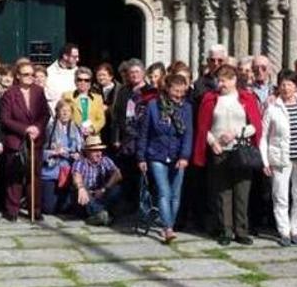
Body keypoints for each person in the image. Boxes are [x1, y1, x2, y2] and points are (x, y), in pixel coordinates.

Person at [193, 65, 263, 246]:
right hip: (219, 152)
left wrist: (236, 133)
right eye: (219, 80)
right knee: (223, 192)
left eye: (224, 80)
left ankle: (241, 230)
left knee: (242, 192)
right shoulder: (210, 99)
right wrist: (213, 143)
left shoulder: (246, 98)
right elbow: (203, 128)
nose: (221, 83)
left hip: (241, 151)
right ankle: (226, 230)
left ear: (233, 80)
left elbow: (255, 126)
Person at [138, 74, 194, 243]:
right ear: (167, 89)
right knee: (164, 192)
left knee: (175, 195)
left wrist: (185, 156)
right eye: (176, 91)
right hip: (157, 154)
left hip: (177, 155)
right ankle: (167, 228)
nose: (179, 95)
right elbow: (144, 133)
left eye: (182, 92)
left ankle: (169, 223)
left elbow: (188, 135)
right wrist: (141, 157)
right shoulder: (154, 106)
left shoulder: (186, 108)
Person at [260, 69, 297, 247]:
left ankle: (295, 229)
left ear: (296, 86)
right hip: (280, 157)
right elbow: (263, 137)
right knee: (280, 196)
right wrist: (265, 161)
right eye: (283, 84)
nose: (286, 88)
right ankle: (283, 231)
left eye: (290, 84)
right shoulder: (272, 108)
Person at [0, 61, 51, 221]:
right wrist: (25, 129)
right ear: (18, 76)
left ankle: (34, 209)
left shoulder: (39, 91)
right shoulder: (10, 94)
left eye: (32, 75)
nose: (30, 77)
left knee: (34, 175)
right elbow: (5, 119)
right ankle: (12, 210)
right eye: (26, 74)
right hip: (16, 140)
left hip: (35, 140)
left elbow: (45, 114)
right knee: (15, 175)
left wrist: (37, 128)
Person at [110, 59, 153, 208]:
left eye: (137, 72)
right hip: (126, 139)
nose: (134, 75)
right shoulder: (123, 91)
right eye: (131, 72)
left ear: (143, 73)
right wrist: (116, 138)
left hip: (143, 137)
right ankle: (129, 204)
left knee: (142, 174)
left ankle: (142, 205)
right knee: (126, 172)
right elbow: (116, 115)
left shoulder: (151, 92)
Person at [41, 99, 83, 215]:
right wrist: (52, 153)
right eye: (62, 110)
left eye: (68, 111)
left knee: (66, 209)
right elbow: (40, 151)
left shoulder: (77, 129)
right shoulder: (49, 128)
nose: (65, 113)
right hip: (51, 171)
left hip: (68, 170)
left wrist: (78, 155)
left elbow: (82, 150)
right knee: (49, 209)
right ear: (57, 112)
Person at [73, 135, 123, 226]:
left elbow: (118, 174)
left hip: (101, 193)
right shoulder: (80, 162)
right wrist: (80, 187)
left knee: (117, 189)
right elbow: (76, 175)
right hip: (87, 197)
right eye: (95, 151)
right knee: (82, 192)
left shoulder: (105, 160)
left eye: (100, 150)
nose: (99, 153)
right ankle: (103, 215)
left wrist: (104, 189)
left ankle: (100, 216)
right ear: (87, 151)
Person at [62, 67, 105, 137]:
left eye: (86, 80)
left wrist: (92, 129)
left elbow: (101, 119)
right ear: (75, 81)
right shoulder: (67, 96)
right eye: (80, 80)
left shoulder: (98, 98)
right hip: (72, 136)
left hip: (92, 137)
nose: (83, 82)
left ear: (90, 83)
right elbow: (62, 116)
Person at [46, 43, 80, 110]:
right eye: (74, 57)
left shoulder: (78, 72)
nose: (77, 59)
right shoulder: (49, 73)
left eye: (77, 57)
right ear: (65, 56)